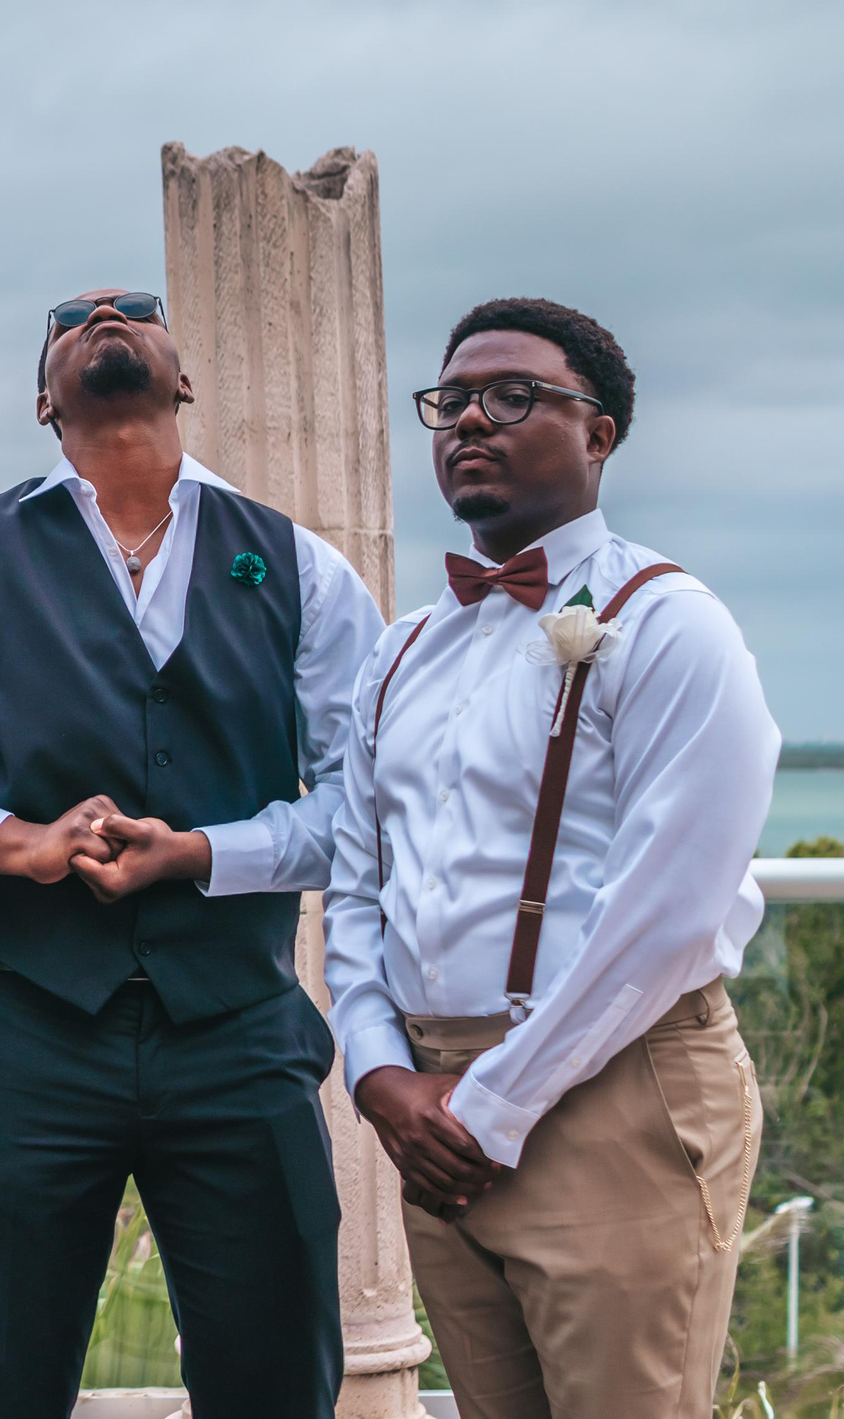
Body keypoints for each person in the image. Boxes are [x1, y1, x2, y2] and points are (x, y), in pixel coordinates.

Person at [0, 289, 382, 1419]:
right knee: (6, 1383)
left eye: (135, 310)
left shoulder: (294, 565)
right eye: (72, 319)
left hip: (239, 1033)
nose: (104, 315)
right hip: (23, 1033)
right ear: (42, 397)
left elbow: (371, 807)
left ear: (183, 378)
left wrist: (205, 852)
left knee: (277, 1382)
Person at [325, 298, 776, 1418]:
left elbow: (670, 913)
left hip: (612, 1095)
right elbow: (354, 877)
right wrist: (376, 1068)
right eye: (451, 400)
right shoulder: (400, 651)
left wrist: (495, 1104)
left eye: (514, 395)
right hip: (432, 1112)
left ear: (599, 434)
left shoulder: (670, 623)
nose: (470, 418)